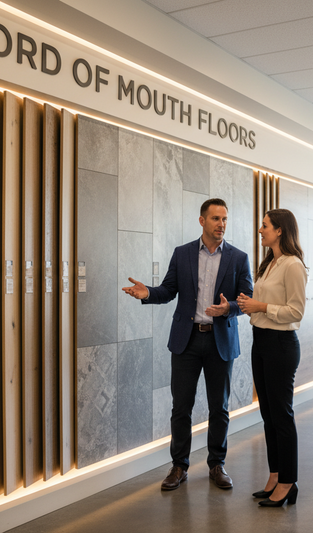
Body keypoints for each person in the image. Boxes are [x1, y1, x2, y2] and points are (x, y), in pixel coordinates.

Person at [122, 198, 253, 491]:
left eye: (225, 219)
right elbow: (168, 291)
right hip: (187, 340)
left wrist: (228, 308)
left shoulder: (238, 257)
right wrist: (147, 293)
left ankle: (217, 465)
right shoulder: (182, 254)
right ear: (202, 220)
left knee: (219, 407)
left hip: (220, 340)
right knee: (181, 407)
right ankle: (179, 466)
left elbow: (246, 299)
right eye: (216, 218)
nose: (221, 224)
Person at [237, 208, 307, 507]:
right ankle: (275, 474)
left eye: (264, 226)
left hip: (281, 345)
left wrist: (261, 306)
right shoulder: (269, 263)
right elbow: (262, 303)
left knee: (282, 416)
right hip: (261, 341)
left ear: (280, 230)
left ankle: (289, 481)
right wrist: (246, 305)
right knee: (268, 415)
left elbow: (296, 312)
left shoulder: (293, 265)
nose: (261, 230)